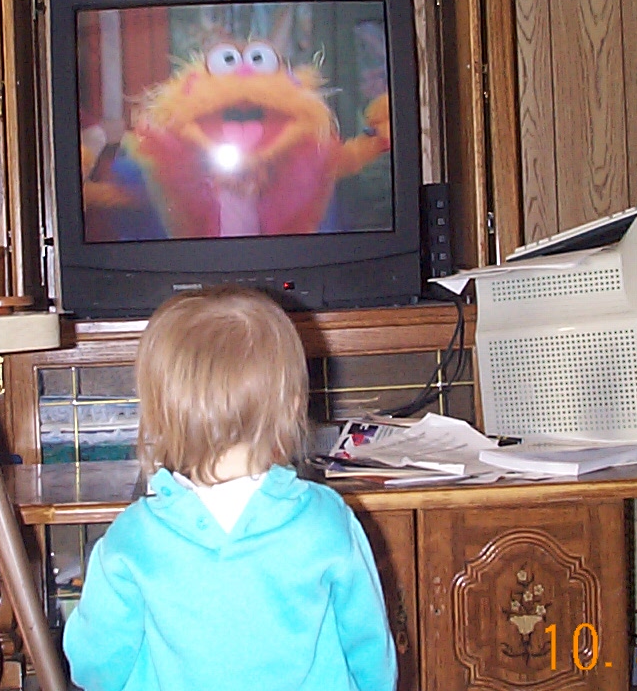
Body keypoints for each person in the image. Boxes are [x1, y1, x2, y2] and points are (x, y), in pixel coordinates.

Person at [62, 286, 397, 691]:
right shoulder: (327, 521)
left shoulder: (133, 539)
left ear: (158, 414)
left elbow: (94, 668)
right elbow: (372, 656)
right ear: (293, 405)